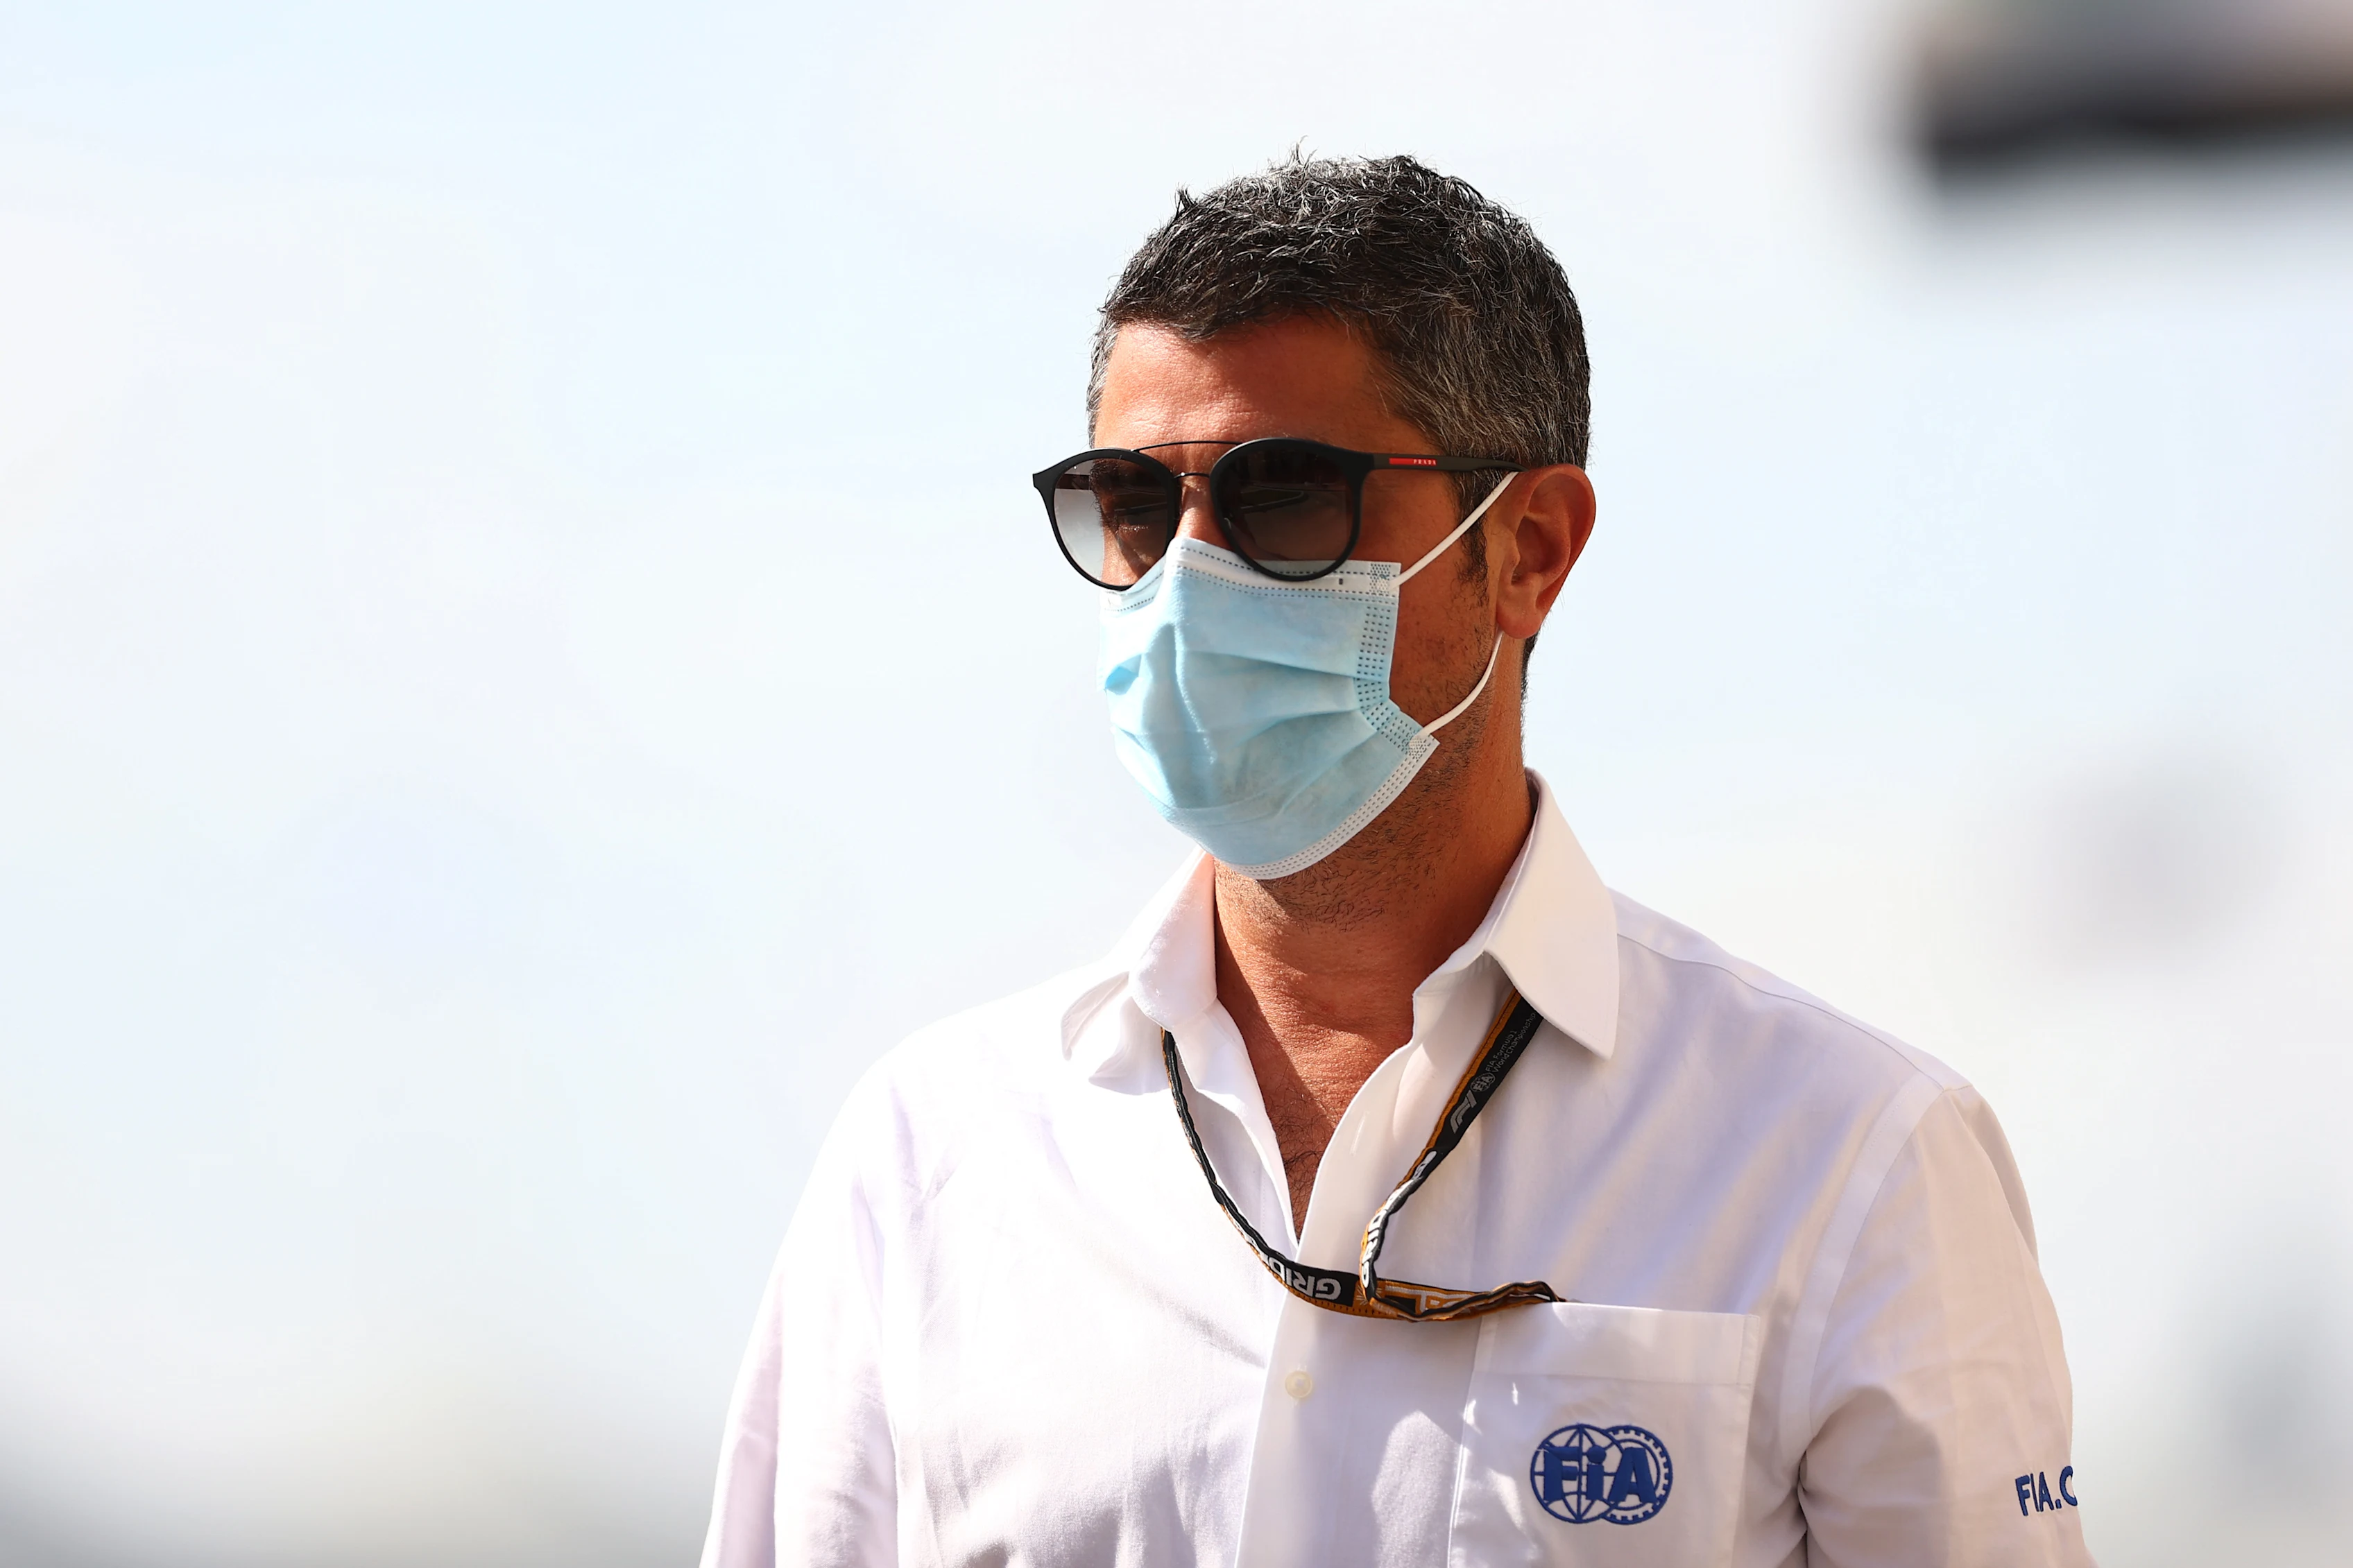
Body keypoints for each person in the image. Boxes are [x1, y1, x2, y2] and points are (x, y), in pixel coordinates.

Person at [699, 153, 2092, 1567]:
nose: (1188, 579)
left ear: (1529, 550)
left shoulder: (1843, 1154)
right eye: (1133, 505)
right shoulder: (936, 1157)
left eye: (1286, 497)